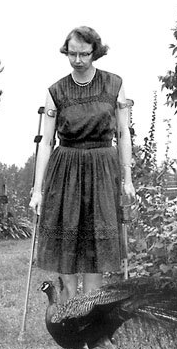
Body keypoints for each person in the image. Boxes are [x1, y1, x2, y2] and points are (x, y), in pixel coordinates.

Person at [29, 26, 135, 303]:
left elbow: (123, 134)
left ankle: (90, 308)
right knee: (68, 236)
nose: (78, 60)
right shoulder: (56, 91)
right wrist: (37, 189)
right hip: (66, 169)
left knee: (96, 239)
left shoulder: (114, 85)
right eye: (72, 54)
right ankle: (67, 309)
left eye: (84, 54)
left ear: (95, 53)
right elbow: (45, 142)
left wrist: (128, 179)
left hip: (102, 166)